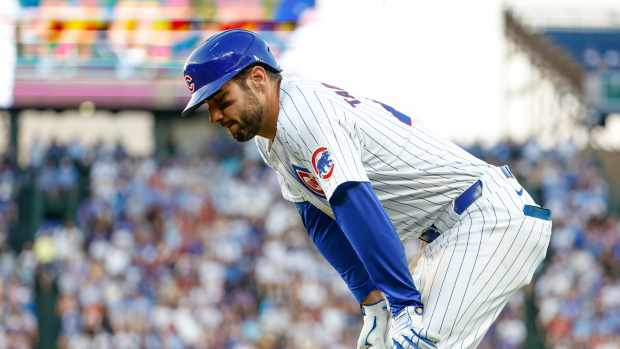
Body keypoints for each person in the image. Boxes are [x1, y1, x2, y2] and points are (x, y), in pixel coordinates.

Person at [181, 29, 552, 349]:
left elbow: (354, 201)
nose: (214, 116)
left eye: (221, 100)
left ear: (258, 78)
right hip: (450, 232)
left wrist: (402, 304)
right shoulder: (271, 138)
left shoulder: (304, 112)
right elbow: (318, 218)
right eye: (208, 107)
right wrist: (372, 301)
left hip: (486, 218)